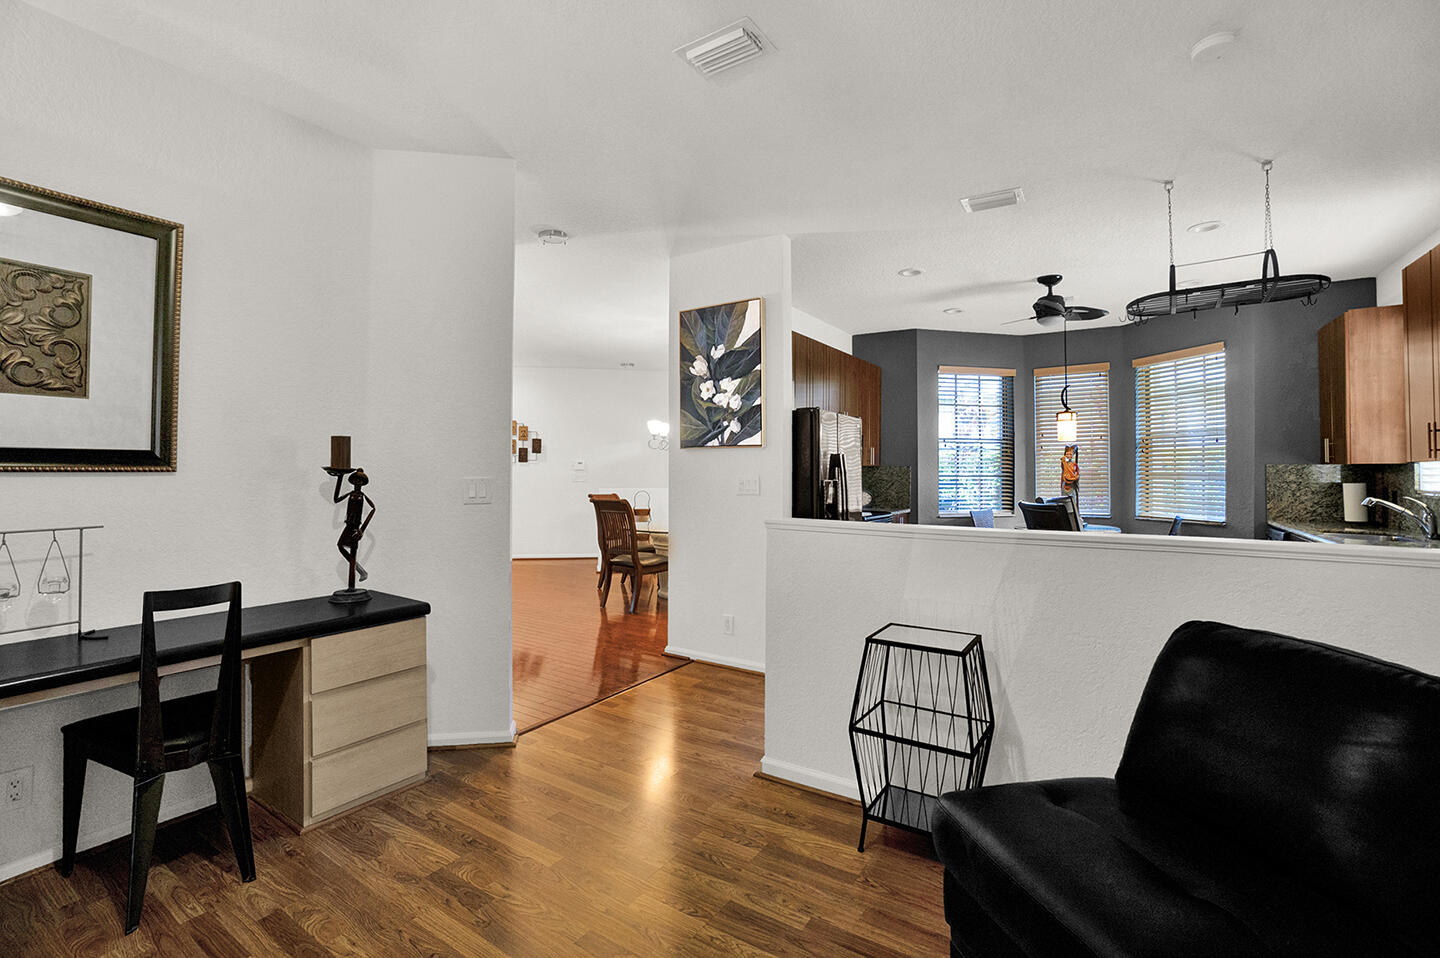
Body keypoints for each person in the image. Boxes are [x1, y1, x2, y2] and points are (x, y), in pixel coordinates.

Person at [333, 468, 376, 592]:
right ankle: (360, 570)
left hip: (356, 528)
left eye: (360, 480)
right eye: (356, 479)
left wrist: (362, 530)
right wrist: (339, 479)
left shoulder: (362, 497)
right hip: (348, 525)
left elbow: (373, 509)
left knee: (352, 554)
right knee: (340, 545)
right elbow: (336, 499)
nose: (357, 482)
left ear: (362, 483)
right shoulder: (350, 494)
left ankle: (354, 582)